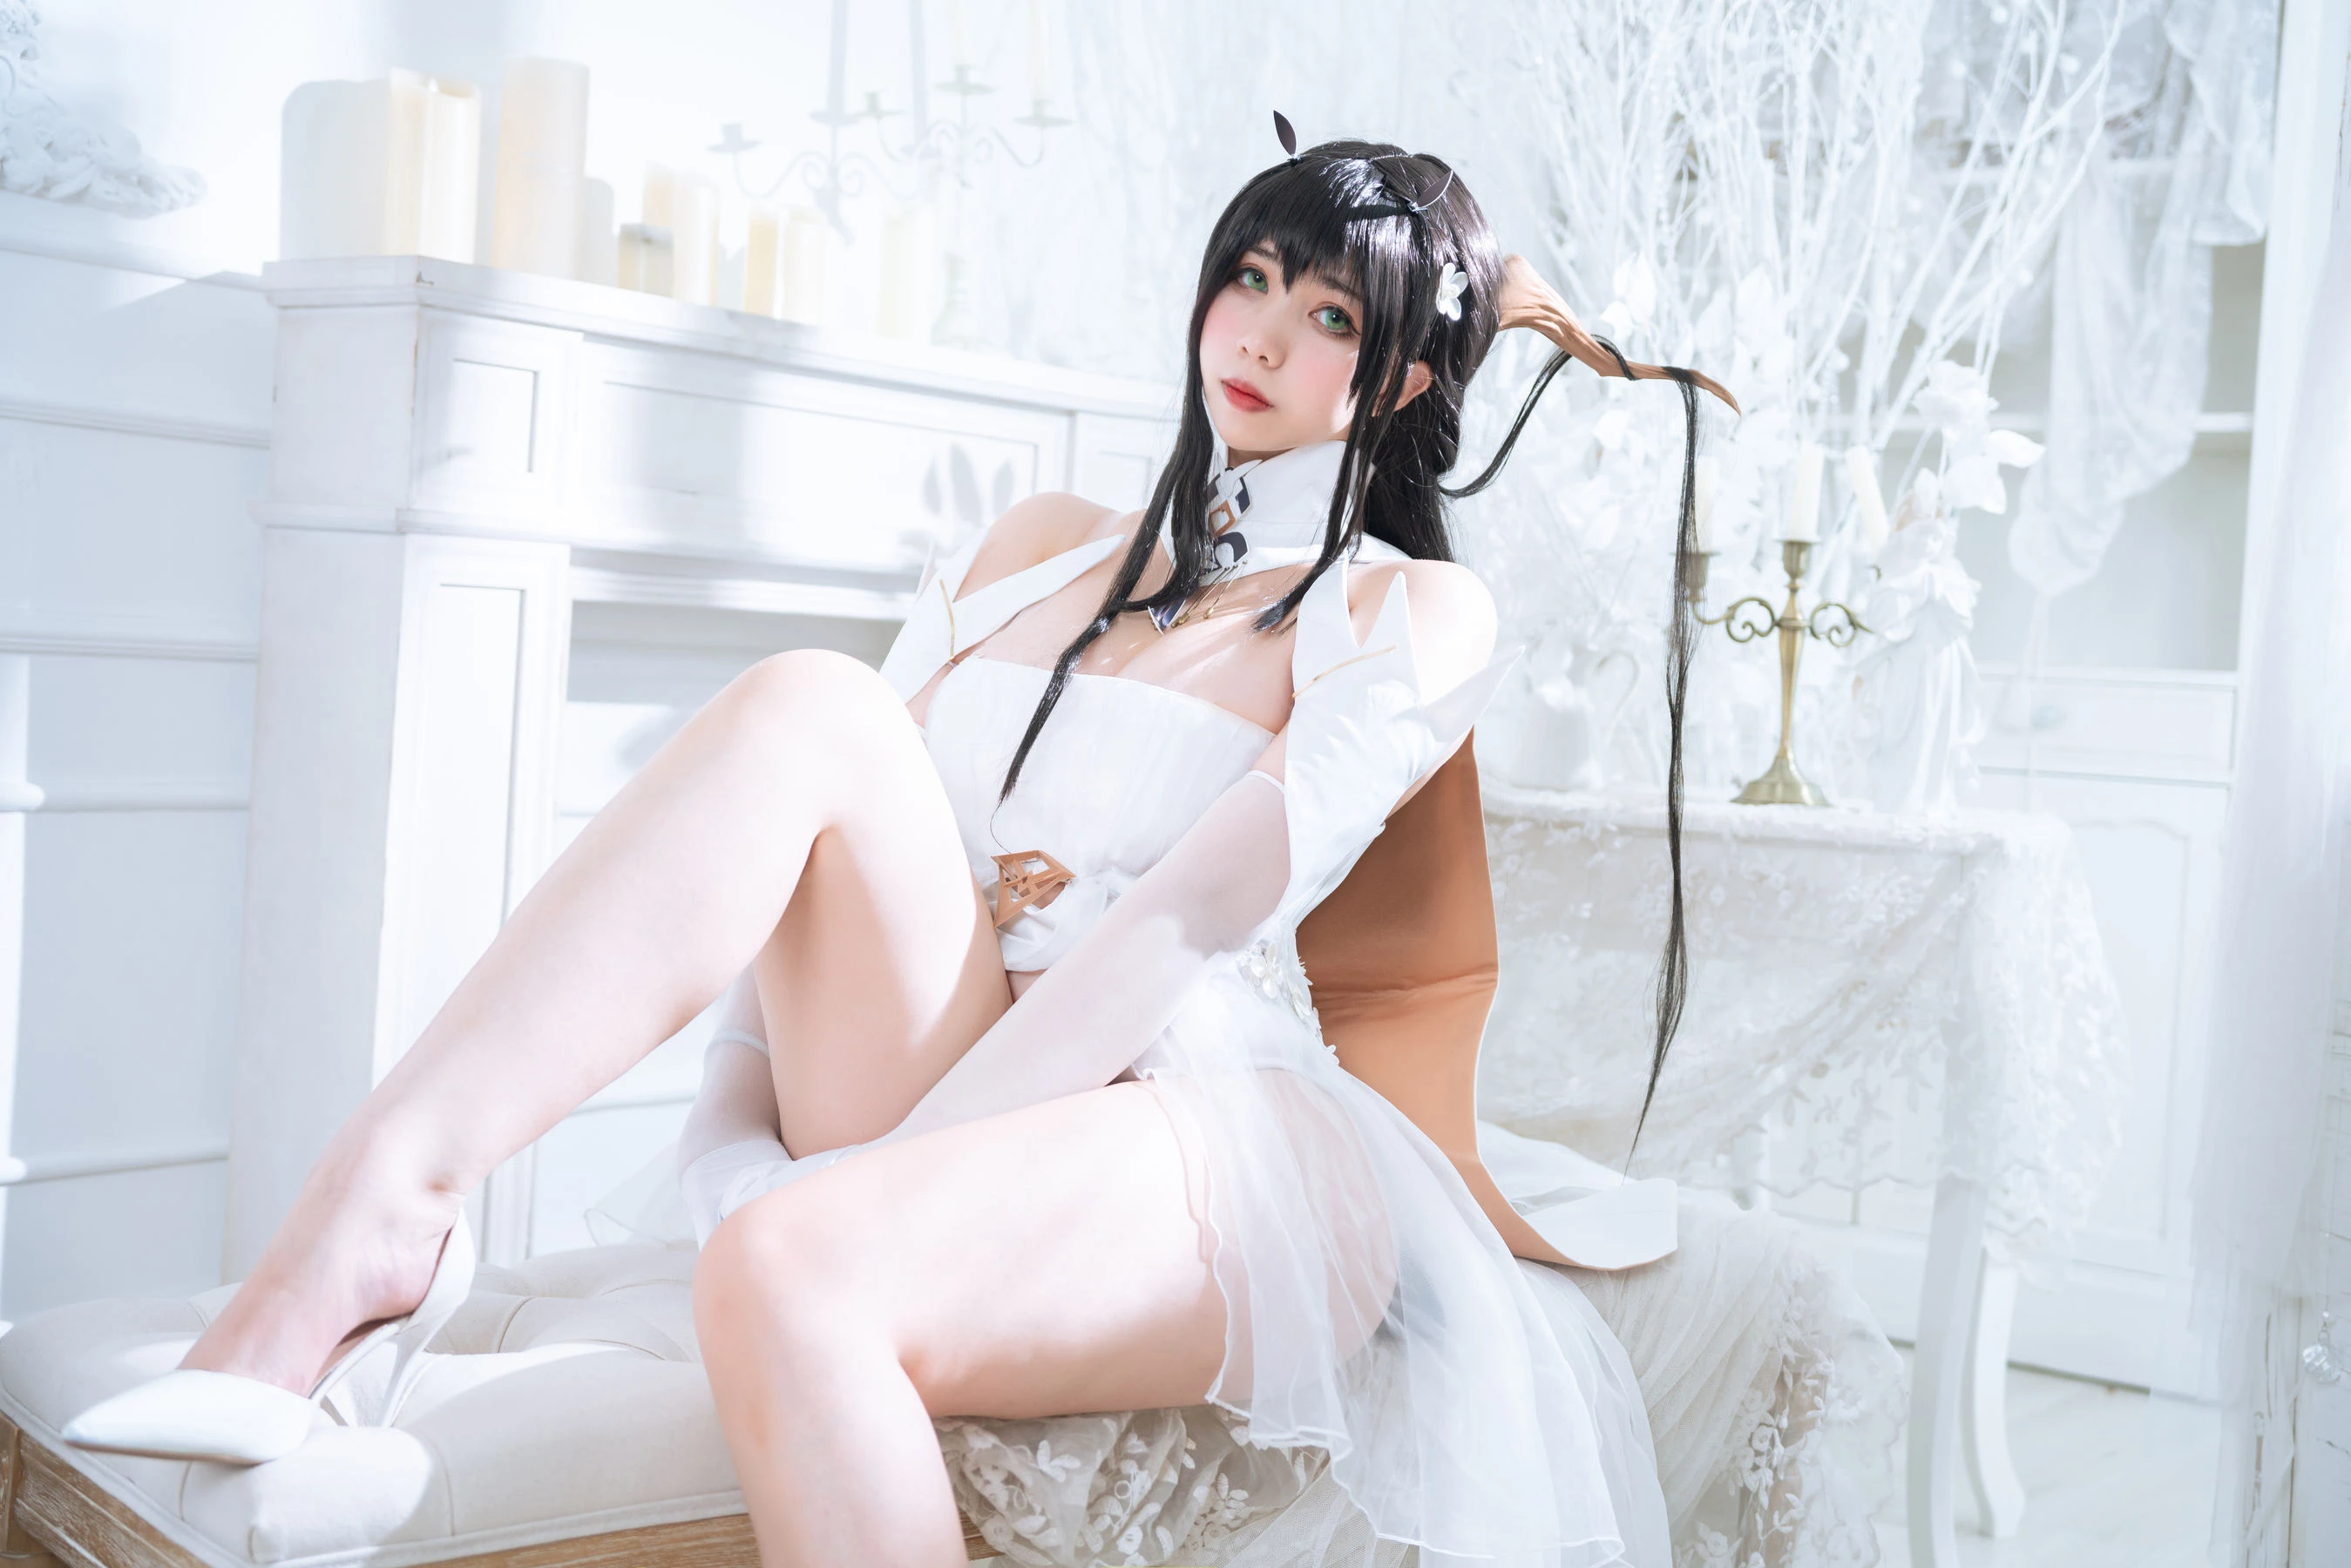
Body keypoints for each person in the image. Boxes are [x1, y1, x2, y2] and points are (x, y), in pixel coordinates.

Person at [64, 126, 1736, 1568]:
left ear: (1407, 377)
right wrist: (731, 1139)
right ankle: (377, 1214)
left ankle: (607, 1233)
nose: (1262, 336)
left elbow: (1180, 926)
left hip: (1196, 1125)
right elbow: (781, 868)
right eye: (1251, 278)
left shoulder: (1404, 612)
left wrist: (845, 1193)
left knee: (792, 1269)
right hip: (952, 1062)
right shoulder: (1038, 550)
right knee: (809, 705)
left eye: (1330, 318)